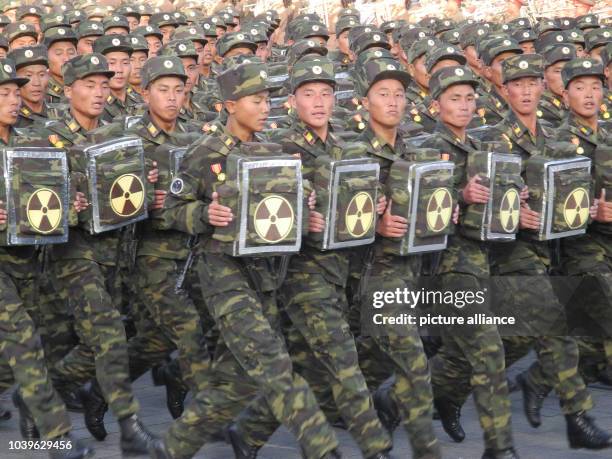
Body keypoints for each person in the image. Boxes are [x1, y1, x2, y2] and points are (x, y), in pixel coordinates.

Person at [152, 59, 341, 459]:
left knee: (238, 382)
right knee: (273, 364)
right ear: (230, 105)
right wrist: (205, 215)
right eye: (256, 100)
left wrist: (305, 211)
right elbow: (169, 210)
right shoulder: (205, 152)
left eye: (268, 100)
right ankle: (324, 448)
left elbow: (287, 210)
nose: (265, 108)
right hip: (223, 274)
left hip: (267, 275)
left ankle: (170, 449)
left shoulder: (272, 151)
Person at [228, 56, 393, 459]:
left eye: (325, 93)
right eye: (308, 94)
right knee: (342, 358)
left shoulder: (349, 145)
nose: (318, 102)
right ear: (292, 102)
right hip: (300, 271)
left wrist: (377, 205)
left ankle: (248, 432)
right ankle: (376, 448)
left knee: (311, 365)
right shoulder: (279, 148)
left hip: (341, 267)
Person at [45, 53, 159, 455]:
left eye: (102, 83)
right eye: (89, 84)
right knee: (109, 330)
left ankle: (45, 389)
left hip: (115, 250)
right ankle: (130, 426)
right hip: (72, 253)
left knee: (100, 343)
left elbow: (125, 195)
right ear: (67, 89)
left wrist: (143, 181)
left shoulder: (117, 136)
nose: (99, 91)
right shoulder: (47, 137)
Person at [421, 65, 518, 459]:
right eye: (454, 98)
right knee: (487, 348)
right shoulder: (426, 149)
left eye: (468, 98)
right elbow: (419, 207)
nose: (464, 105)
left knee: (465, 351)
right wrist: (458, 197)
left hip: (481, 259)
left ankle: (410, 398)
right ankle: (500, 447)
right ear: (435, 105)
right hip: (447, 267)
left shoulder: (483, 148)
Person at [0, 57, 93, 459]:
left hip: (29, 259)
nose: (13, 100)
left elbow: (52, 188)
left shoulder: (32, 139)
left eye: (14, 92)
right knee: (24, 343)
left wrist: (72, 201)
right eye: (3, 94)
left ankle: (26, 398)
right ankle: (57, 441)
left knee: (31, 347)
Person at [354, 54, 444, 459]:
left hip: (412, 269)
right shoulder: (352, 152)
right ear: (363, 101)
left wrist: (449, 208)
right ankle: (427, 449)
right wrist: (372, 225)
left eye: (399, 95)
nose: (393, 101)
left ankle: (252, 429)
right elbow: (326, 212)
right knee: (413, 362)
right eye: (383, 93)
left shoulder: (415, 147)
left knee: (363, 362)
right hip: (373, 272)